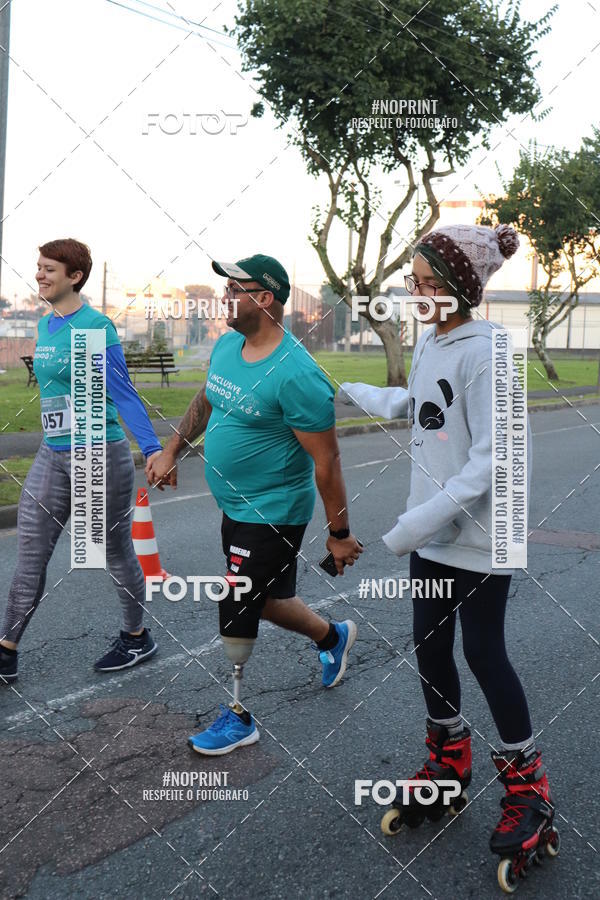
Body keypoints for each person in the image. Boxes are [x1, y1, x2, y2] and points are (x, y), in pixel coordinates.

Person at [341, 224, 557, 875]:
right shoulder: (437, 342)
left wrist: (413, 524)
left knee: (483, 650)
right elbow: (422, 406)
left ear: (463, 287)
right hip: (434, 532)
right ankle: (449, 757)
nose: (418, 292)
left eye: (431, 283)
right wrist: (352, 393)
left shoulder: (492, 350)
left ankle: (530, 789)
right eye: (415, 282)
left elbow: (494, 460)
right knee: (429, 646)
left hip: (483, 535)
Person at [146, 253, 363, 756]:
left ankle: (239, 716)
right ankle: (333, 638)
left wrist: (338, 532)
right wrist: (173, 448)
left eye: (235, 288)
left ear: (264, 299)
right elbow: (207, 398)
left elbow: (327, 462)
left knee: (237, 597)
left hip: (274, 510)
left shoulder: (297, 375)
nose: (225, 295)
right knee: (265, 599)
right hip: (235, 506)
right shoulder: (228, 345)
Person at [0, 238, 163, 683]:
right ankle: (6, 651)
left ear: (74, 276)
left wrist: (152, 450)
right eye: (38, 267)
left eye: (49, 269)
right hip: (51, 453)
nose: (40, 275)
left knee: (111, 551)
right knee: (31, 555)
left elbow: (123, 393)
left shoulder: (95, 326)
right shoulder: (45, 326)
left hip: (97, 455)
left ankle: (136, 636)